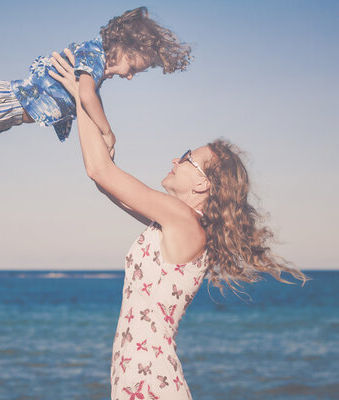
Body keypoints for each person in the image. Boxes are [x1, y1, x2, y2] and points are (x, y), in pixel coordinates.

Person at [48, 50, 309, 400]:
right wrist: (82, 99)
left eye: (187, 158)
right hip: (138, 380)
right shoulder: (176, 223)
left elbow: (100, 170)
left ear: (202, 184)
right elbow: (103, 180)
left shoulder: (183, 220)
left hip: (151, 384)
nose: (176, 159)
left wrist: (86, 87)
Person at [0, 6, 192, 233]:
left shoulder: (96, 67)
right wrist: (108, 132)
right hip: (8, 99)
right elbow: (85, 96)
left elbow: (83, 99)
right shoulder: (94, 53)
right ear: (126, 46)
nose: (128, 76)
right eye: (133, 68)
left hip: (11, 115)